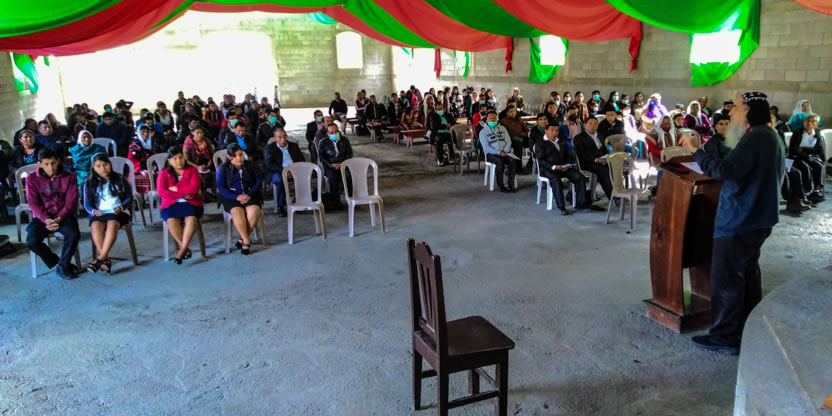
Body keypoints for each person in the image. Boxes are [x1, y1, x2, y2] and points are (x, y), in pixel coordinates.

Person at [683, 91, 784, 355]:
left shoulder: (755, 137)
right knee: (747, 276)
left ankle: (725, 336)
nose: (731, 112)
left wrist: (696, 151)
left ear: (748, 111)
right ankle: (748, 327)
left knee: (726, 280)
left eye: (737, 107)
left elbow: (724, 170)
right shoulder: (770, 135)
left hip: (740, 219)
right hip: (758, 218)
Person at [24, 148, 80, 279]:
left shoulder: (70, 177)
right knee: (32, 241)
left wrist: (59, 218)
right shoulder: (31, 178)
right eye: (46, 164)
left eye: (53, 163)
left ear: (58, 161)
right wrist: (46, 219)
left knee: (73, 235)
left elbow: (71, 203)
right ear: (39, 164)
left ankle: (63, 267)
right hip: (43, 217)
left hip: (63, 216)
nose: (51, 167)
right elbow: (33, 203)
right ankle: (58, 262)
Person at [84, 153, 133, 273]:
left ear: (110, 165)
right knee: (95, 226)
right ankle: (105, 259)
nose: (103, 168)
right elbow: (86, 203)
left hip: (118, 211)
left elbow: (129, 197)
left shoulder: (120, 178)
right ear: (94, 168)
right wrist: (93, 211)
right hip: (100, 212)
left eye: (105, 165)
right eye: (99, 166)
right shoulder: (89, 182)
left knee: (112, 224)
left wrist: (121, 207)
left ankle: (100, 258)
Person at [535, 123, 596, 215]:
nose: (554, 133)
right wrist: (554, 167)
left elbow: (567, 155)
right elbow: (541, 161)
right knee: (556, 180)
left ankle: (581, 204)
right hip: (548, 169)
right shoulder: (540, 143)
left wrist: (566, 165)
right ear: (546, 131)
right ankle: (561, 207)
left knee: (579, 177)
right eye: (552, 130)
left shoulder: (561, 141)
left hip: (562, 168)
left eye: (556, 130)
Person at [157, 146, 203, 264]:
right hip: (170, 204)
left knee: (192, 218)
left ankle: (181, 250)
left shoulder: (192, 170)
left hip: (191, 203)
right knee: (171, 220)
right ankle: (185, 248)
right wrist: (183, 194)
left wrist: (175, 189)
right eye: (175, 158)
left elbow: (194, 189)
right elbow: (161, 192)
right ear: (169, 161)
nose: (179, 161)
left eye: (181, 157)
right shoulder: (164, 173)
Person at [216, 143, 263, 255]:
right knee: (237, 212)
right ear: (229, 157)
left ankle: (242, 239)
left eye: (240, 155)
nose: (239, 158)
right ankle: (246, 240)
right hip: (231, 197)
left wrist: (249, 194)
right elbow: (221, 188)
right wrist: (236, 197)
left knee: (254, 210)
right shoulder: (223, 169)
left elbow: (258, 182)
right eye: (235, 156)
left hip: (250, 194)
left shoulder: (251, 165)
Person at [264, 128, 304, 217]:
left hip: (294, 170)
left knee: (304, 176)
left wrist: (294, 170)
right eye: (280, 137)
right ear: (275, 138)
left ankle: (299, 201)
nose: (283, 139)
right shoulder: (269, 148)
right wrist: (284, 171)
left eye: (285, 136)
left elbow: (301, 159)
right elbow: (269, 164)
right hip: (277, 171)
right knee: (280, 180)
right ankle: (281, 206)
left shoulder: (293, 146)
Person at [574, 117, 614, 201]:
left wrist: (607, 157)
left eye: (595, 124)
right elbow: (582, 155)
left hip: (602, 160)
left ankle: (619, 191)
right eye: (590, 124)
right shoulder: (579, 138)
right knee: (603, 170)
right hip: (588, 162)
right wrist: (596, 159)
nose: (592, 126)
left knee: (614, 167)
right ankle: (613, 196)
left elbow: (604, 149)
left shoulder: (599, 135)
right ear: (585, 125)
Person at [788, 113, 825, 203]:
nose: (809, 123)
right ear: (804, 122)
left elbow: (819, 150)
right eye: (808, 120)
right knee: (805, 167)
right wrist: (806, 153)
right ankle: (806, 191)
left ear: (816, 124)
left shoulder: (817, 134)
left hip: (808, 157)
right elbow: (794, 149)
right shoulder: (798, 133)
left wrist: (804, 149)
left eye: (812, 121)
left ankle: (816, 190)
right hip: (796, 158)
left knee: (819, 166)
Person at [478, 110, 516, 193]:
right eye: (490, 118)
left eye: (494, 118)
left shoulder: (503, 128)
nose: (492, 119)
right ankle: (500, 186)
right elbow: (486, 148)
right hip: (491, 154)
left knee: (513, 160)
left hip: (504, 152)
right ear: (486, 120)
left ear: (497, 119)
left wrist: (505, 151)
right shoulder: (483, 132)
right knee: (500, 161)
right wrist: (499, 153)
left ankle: (510, 185)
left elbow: (508, 141)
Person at [318, 123, 353, 209]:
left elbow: (349, 153)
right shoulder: (323, 142)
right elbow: (321, 156)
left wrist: (342, 163)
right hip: (330, 165)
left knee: (348, 176)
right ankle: (336, 201)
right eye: (331, 133)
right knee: (332, 177)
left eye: (336, 131)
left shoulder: (344, 140)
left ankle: (350, 199)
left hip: (343, 164)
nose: (334, 134)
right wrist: (330, 164)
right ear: (327, 134)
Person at [128, 125, 166, 195]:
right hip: (140, 166)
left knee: (161, 173)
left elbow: (158, 152)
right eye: (143, 132)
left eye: (147, 132)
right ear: (139, 132)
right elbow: (135, 155)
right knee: (146, 175)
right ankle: (143, 195)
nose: (145, 134)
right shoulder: (135, 142)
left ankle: (158, 193)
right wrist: (148, 153)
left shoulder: (153, 141)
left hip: (153, 165)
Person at [183, 126, 216, 199]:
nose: (200, 134)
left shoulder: (206, 141)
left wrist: (208, 165)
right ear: (192, 133)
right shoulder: (188, 144)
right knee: (200, 177)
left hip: (206, 165)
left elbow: (212, 155)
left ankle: (214, 194)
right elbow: (187, 160)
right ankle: (202, 195)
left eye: (201, 132)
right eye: (197, 133)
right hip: (193, 165)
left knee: (213, 175)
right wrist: (197, 167)